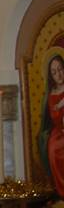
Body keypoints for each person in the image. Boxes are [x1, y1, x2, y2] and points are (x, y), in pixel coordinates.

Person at [39, 53, 64, 196]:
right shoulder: (51, 94)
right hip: (59, 131)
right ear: (51, 76)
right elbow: (53, 116)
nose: (59, 75)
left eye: (60, 69)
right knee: (53, 149)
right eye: (54, 72)